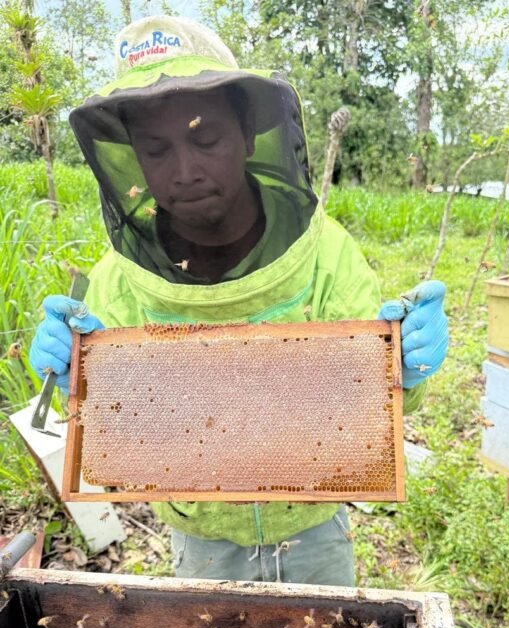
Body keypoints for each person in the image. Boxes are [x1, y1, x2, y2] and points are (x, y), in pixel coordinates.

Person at [30, 16, 448, 586]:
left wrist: (407, 366)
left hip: (314, 527)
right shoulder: (116, 281)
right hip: (199, 536)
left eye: (206, 139)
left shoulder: (328, 254)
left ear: (248, 135)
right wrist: (71, 380)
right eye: (156, 150)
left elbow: (383, 397)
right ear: (132, 159)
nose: (185, 170)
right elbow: (105, 422)